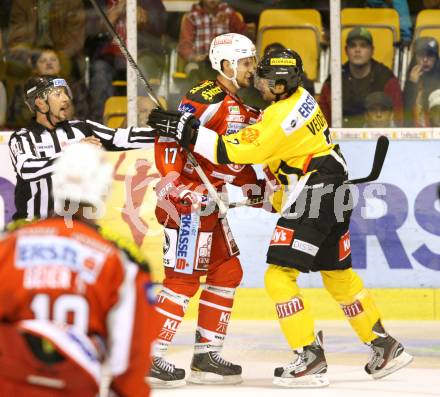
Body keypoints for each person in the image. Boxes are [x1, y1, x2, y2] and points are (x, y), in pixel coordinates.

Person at [148, 48, 413, 388]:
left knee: (278, 277)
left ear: (278, 85)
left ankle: (309, 357)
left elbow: (231, 151)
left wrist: (187, 129)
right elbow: (271, 180)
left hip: (315, 191)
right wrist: (239, 195)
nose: (256, 80)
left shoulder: (279, 117)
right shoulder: (300, 99)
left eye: (263, 77)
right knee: (337, 275)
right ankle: (384, 345)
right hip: (334, 189)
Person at [148, 33, 266, 388]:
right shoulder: (206, 97)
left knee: (228, 271)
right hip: (187, 206)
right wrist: (174, 182)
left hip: (211, 208)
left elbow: (235, 163)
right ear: (227, 65)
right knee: (182, 282)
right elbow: (169, 134)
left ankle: (205, 356)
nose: (252, 69)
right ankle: (147, 355)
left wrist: (259, 192)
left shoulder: (244, 110)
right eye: (246, 62)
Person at [0, 142, 157, 396]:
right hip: (75, 385)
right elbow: (131, 359)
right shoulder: (122, 260)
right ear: (104, 189)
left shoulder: (9, 244)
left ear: (57, 185)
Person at [8, 75, 156, 221]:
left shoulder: (82, 128)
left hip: (73, 229)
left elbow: (123, 138)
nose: (66, 98)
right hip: (32, 229)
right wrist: (74, 151)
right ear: (40, 103)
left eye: (66, 93)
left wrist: (166, 134)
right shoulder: (22, 137)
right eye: (58, 94)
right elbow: (27, 169)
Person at [88, 0, 167, 122]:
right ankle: (100, 122)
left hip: (143, 54)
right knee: (99, 69)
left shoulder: (150, 2)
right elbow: (92, 30)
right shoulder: (102, 2)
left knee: (142, 68)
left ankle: (144, 120)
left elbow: (162, 25)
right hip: (111, 55)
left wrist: (147, 19)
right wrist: (116, 11)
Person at [319, 26, 404, 127]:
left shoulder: (386, 79)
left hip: (378, 138)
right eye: (353, 46)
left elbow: (399, 122)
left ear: (372, 50)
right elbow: (323, 122)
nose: (357, 50)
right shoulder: (334, 81)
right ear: (346, 50)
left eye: (363, 46)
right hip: (340, 138)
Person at [177, 0, 255, 83]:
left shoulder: (229, 14)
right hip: (200, 61)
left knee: (237, 70)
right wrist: (194, 57)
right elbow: (185, 44)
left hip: (225, 61)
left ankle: (229, 95)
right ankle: (197, 94)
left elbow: (243, 37)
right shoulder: (192, 16)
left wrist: (249, 31)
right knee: (192, 69)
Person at [403, 36, 440, 126]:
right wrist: (412, 84)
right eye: (421, 55)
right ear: (415, 57)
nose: (425, 60)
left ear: (436, 57)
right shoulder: (412, 76)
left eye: (430, 55)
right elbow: (405, 114)